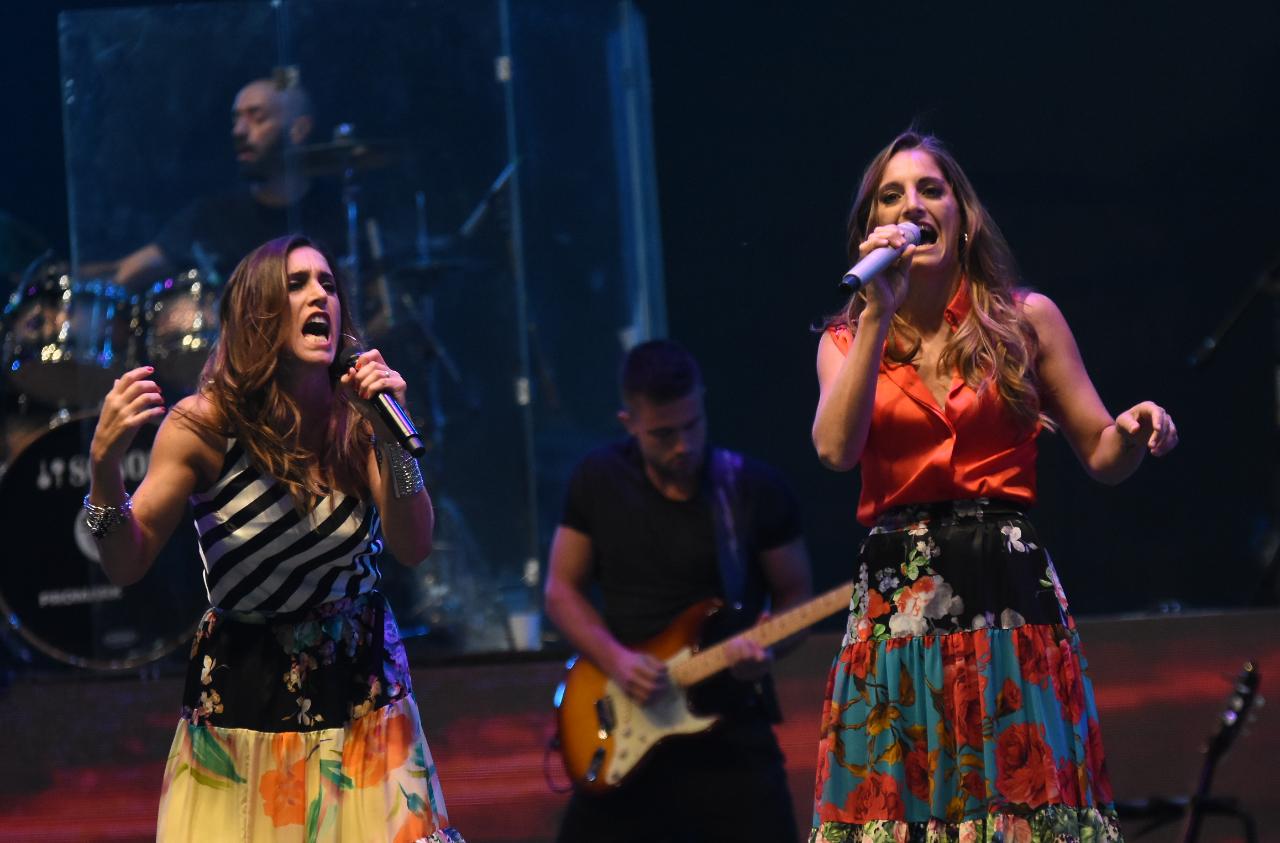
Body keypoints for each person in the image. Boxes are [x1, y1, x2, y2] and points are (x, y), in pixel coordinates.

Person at [808, 131, 1178, 842]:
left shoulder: (1024, 319)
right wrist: (878, 309)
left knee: (1022, 813)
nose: (912, 204)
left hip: (1005, 593)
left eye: (930, 189)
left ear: (962, 214)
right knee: (901, 807)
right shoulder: (847, 340)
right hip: (898, 607)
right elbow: (833, 448)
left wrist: (1132, 429)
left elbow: (1101, 451)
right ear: (871, 229)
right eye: (892, 195)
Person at [85, 234, 463, 842]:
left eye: (329, 285)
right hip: (247, 696)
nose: (320, 295)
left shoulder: (359, 417)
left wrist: (394, 437)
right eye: (297, 284)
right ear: (257, 312)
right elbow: (126, 562)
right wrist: (104, 471)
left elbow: (414, 545)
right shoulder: (202, 427)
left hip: (360, 687)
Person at [544, 338, 814, 842]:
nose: (683, 445)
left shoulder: (753, 488)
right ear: (630, 424)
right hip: (625, 721)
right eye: (663, 434)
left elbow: (797, 595)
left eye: (691, 426)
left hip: (729, 733)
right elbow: (561, 590)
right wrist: (618, 660)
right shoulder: (598, 479)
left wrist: (769, 648)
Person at [114, 74, 344, 289]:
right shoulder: (211, 216)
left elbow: (376, 304)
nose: (239, 131)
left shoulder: (342, 214)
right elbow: (127, 272)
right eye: (236, 120)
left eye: (257, 117)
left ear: (299, 129)